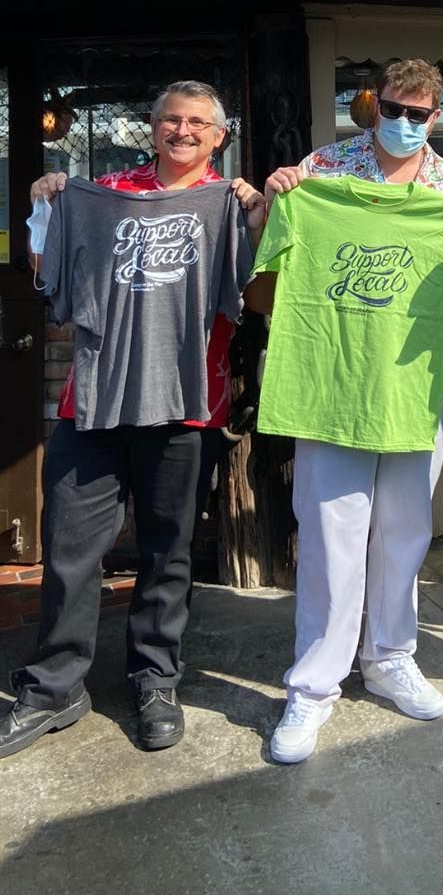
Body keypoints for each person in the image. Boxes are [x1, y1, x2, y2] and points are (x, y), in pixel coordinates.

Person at [0, 81, 265, 760]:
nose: (182, 131)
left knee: (166, 550)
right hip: (91, 402)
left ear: (218, 136)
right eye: (171, 120)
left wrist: (259, 219)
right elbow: (45, 270)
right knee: (68, 549)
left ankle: (155, 679)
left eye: (197, 123)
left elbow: (256, 295)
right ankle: (55, 687)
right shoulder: (102, 191)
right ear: (152, 129)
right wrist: (46, 209)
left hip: (186, 404)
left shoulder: (230, 204)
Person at [246, 58, 443, 764]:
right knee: (329, 533)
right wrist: (271, 202)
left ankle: (389, 657)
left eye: (419, 113)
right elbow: (266, 279)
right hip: (332, 382)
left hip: (418, 385)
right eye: (394, 107)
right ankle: (313, 686)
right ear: (372, 104)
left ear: (436, 116)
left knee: (406, 532)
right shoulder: (321, 171)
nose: (405, 122)